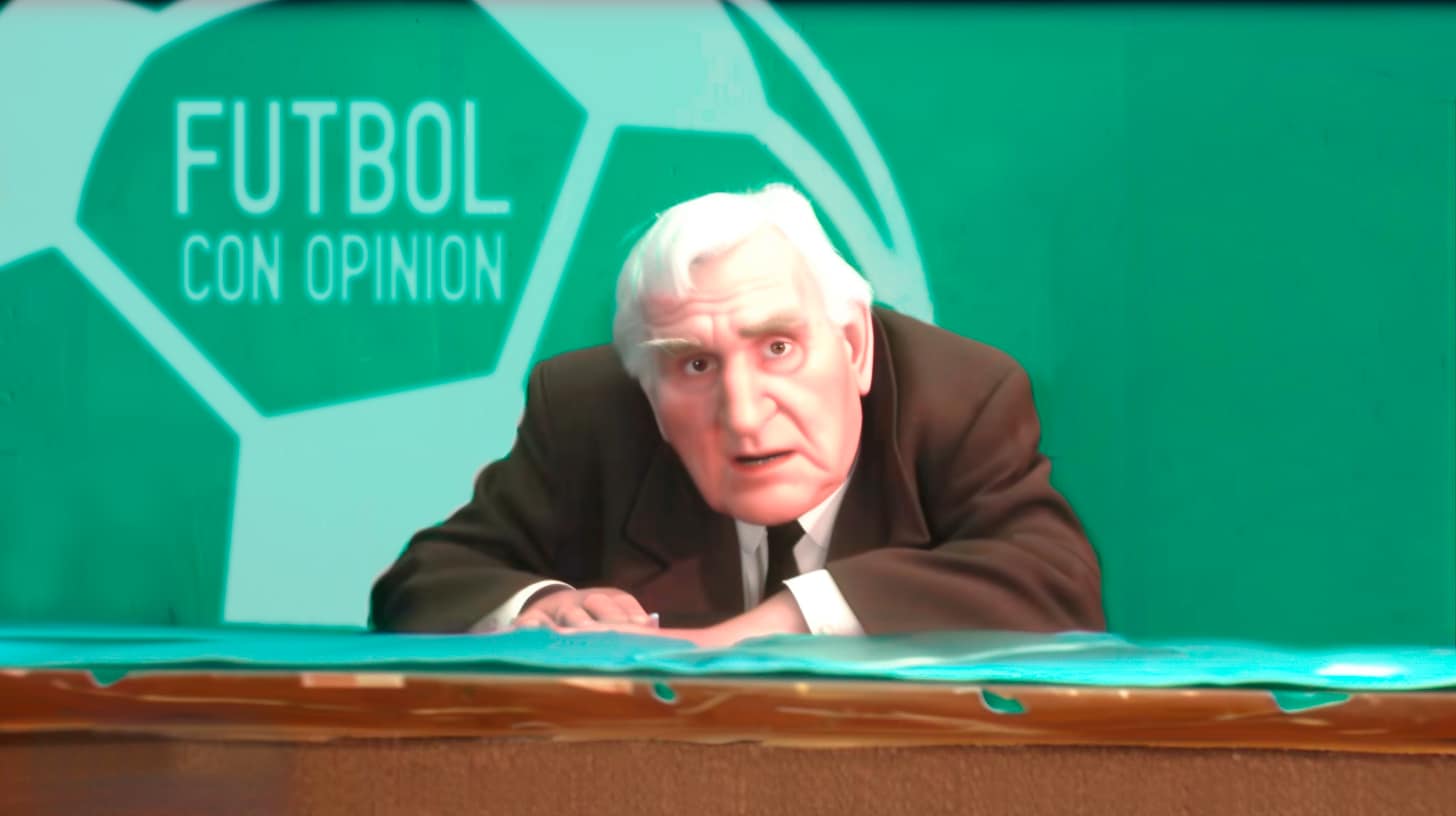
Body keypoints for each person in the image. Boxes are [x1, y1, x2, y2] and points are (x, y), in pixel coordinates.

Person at [370, 184, 1104, 646]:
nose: (745, 416)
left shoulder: (957, 396)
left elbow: (1053, 582)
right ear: (647, 394)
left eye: (778, 348)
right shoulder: (587, 411)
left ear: (852, 347)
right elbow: (426, 580)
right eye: (695, 366)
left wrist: (774, 626)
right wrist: (545, 604)